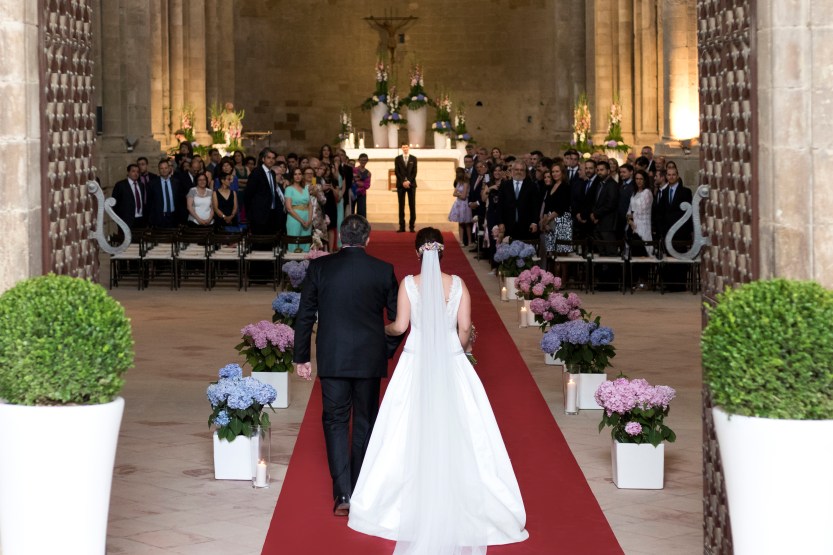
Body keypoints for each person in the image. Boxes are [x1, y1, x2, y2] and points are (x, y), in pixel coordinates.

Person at [348, 228, 529, 553]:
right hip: (452, 360)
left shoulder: (408, 285)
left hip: (415, 362)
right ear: (441, 251)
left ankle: (399, 502)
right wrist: (455, 351)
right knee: (463, 430)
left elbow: (401, 327)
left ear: (419, 253)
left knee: (404, 430)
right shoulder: (458, 285)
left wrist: (380, 327)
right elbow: (463, 329)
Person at [294, 215, 400, 517]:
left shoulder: (320, 267)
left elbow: (305, 315)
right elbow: (399, 319)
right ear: (368, 239)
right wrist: (385, 348)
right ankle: (361, 487)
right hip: (369, 358)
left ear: (340, 238)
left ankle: (342, 491)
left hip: (333, 356)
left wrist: (302, 357)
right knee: (365, 422)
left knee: (335, 421)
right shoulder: (382, 270)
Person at [111, 163, 146, 232]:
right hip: (126, 221)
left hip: (140, 220)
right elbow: (114, 203)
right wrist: (119, 219)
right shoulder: (120, 185)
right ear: (128, 172)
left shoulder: (141, 185)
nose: (135, 173)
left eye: (137, 172)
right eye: (133, 171)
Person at [284, 168, 312, 252]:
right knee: (294, 244)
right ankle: (292, 264)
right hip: (294, 218)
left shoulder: (305, 188)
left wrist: (309, 220)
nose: (297, 176)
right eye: (295, 174)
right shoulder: (289, 189)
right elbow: (289, 208)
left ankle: (305, 264)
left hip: (307, 218)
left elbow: (310, 205)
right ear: (292, 176)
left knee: (306, 244)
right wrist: (301, 220)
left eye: (299, 174)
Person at [394, 142, 417, 232]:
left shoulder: (413, 159)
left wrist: (408, 181)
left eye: (406, 147)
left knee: (412, 206)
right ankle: (402, 226)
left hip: (411, 185)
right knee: (401, 206)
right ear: (401, 148)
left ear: (409, 147)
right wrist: (403, 181)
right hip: (401, 184)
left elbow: (414, 172)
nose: (405, 148)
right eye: (403, 147)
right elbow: (397, 171)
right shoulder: (397, 159)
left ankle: (412, 226)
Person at [447, 167, 472, 245]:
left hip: (464, 204)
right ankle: (461, 241)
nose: (458, 174)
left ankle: (470, 241)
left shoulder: (466, 182)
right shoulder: (458, 182)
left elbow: (464, 196)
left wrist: (458, 194)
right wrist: (458, 194)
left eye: (460, 172)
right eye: (457, 173)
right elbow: (454, 193)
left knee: (467, 224)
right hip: (459, 203)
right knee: (460, 223)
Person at [352, 153, 371, 217]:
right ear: (359, 160)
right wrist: (360, 183)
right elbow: (352, 181)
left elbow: (367, 185)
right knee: (351, 211)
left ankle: (361, 226)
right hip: (353, 193)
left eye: (365, 160)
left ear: (367, 161)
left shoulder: (368, 173)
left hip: (362, 194)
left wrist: (358, 183)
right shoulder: (354, 170)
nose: (363, 162)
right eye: (362, 160)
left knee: (362, 212)